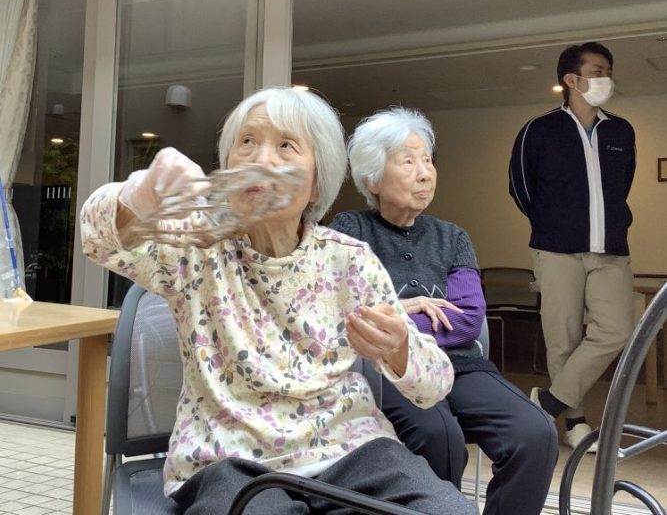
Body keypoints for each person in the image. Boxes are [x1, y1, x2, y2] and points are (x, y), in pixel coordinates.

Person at [80, 87, 476, 514]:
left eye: (286, 146)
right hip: (228, 458)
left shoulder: (349, 260)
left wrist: (399, 348)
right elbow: (97, 239)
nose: (261, 159)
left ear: (316, 184)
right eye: (247, 142)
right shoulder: (197, 246)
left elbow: (434, 385)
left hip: (351, 451)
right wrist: (141, 196)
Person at [330, 107, 558, 515]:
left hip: (463, 367)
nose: (425, 173)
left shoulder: (452, 237)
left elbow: (467, 320)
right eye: (408, 162)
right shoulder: (352, 230)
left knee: (535, 432)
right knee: (439, 437)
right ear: (373, 179)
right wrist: (400, 316)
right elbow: (345, 312)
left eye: (428, 160)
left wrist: (393, 318)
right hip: (389, 370)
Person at [509, 41, 636, 451]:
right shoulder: (539, 130)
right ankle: (575, 422)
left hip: (610, 250)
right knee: (562, 338)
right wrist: (552, 224)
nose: (606, 79)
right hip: (556, 250)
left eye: (608, 72)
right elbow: (520, 187)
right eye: (598, 71)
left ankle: (547, 404)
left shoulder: (620, 131)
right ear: (571, 79)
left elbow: (621, 186)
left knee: (616, 329)